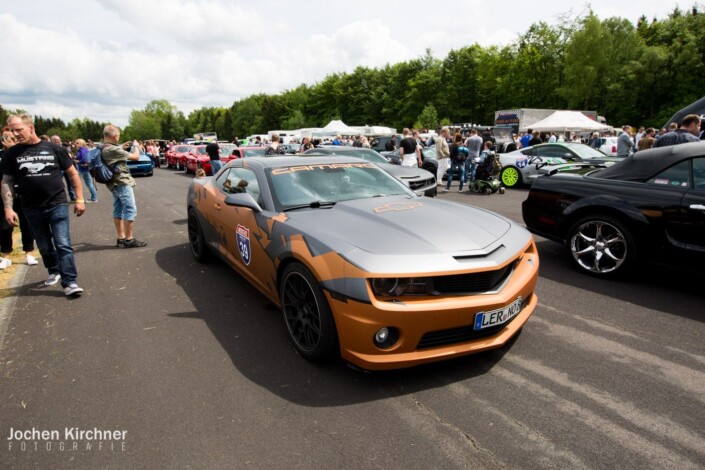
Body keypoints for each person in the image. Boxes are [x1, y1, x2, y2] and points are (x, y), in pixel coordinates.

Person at [1, 115, 85, 296]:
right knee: (44, 245)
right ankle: (53, 270)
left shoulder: (55, 149)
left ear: (30, 127)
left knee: (63, 243)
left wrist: (79, 200)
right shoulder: (11, 154)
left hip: (57, 203)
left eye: (18, 129)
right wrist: (8, 207)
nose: (15, 134)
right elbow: (6, 181)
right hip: (31, 207)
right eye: (12, 130)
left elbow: (72, 174)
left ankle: (69, 281)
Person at [100, 124, 147, 248]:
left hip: (113, 183)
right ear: (115, 136)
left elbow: (114, 152)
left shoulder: (104, 147)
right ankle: (129, 239)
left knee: (118, 209)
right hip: (121, 182)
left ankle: (121, 238)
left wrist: (121, 147)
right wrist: (136, 145)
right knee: (130, 209)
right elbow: (136, 157)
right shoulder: (113, 150)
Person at [0, 126, 38, 269]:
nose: (7, 140)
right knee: (4, 227)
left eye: (11, 137)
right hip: (5, 196)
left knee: (27, 225)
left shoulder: (23, 153)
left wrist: (12, 150)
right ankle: (5, 255)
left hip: (22, 193)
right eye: (4, 137)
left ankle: (29, 253)